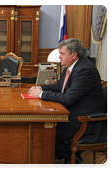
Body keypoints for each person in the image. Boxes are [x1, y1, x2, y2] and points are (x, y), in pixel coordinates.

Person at [28, 38, 108, 167]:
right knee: (46, 127)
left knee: (48, 131)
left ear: (74, 55)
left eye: (62, 53)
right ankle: (60, 159)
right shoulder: (70, 67)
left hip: (86, 120)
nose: (59, 57)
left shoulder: (84, 70)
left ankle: (68, 160)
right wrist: (41, 88)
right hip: (76, 112)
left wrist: (42, 95)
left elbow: (68, 98)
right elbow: (60, 86)